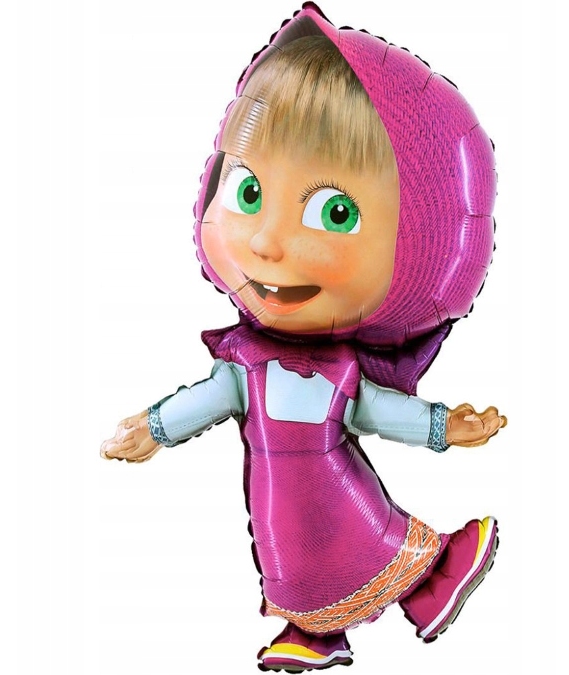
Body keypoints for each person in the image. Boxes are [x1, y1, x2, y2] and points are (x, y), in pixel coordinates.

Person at [101, 5, 506, 672]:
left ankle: (434, 571)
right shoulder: (244, 366)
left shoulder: (340, 373)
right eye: (248, 192)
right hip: (278, 501)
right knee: (287, 556)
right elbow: (202, 401)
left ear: (419, 244)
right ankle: (316, 627)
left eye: (334, 212)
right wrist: (152, 427)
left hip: (338, 492)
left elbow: (382, 412)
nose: (265, 242)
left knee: (365, 538)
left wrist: (442, 426)